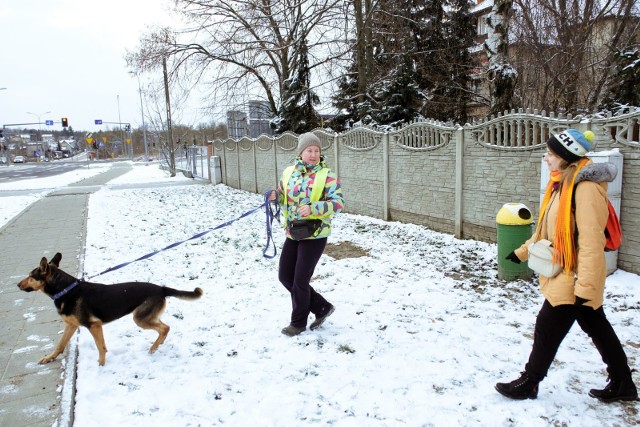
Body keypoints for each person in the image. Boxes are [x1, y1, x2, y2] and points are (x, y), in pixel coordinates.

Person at [496, 129, 638, 402]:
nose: (546, 158)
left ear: (564, 157)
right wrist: (523, 252)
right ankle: (623, 382)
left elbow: (591, 241)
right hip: (570, 271)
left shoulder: (584, 190)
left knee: (546, 326)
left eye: (550, 154)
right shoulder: (561, 185)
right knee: (597, 326)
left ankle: (530, 381)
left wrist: (585, 286)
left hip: (574, 275)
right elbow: (545, 231)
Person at [269, 132, 344, 337]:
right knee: (285, 276)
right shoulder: (288, 173)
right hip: (293, 232)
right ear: (301, 152)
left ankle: (298, 322)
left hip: (316, 233)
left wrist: (314, 208)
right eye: (309, 150)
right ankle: (321, 307)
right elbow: (284, 195)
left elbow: (338, 203)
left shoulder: (327, 176)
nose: (313, 154)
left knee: (300, 280)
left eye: (316, 151)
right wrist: (276, 196)